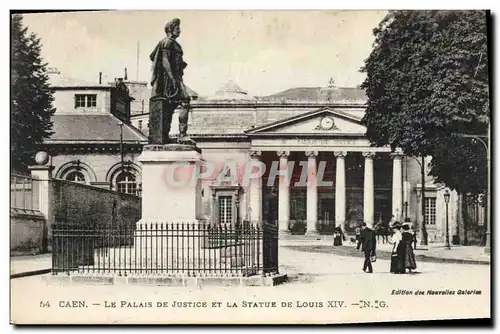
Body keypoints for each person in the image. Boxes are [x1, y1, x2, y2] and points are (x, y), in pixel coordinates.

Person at [149, 18, 193, 144]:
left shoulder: (173, 43)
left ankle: (167, 136)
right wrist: (173, 79)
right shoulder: (167, 42)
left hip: (175, 77)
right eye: (177, 28)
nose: (179, 30)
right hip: (170, 79)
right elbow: (165, 61)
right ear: (170, 30)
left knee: (170, 106)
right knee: (185, 100)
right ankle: (182, 135)